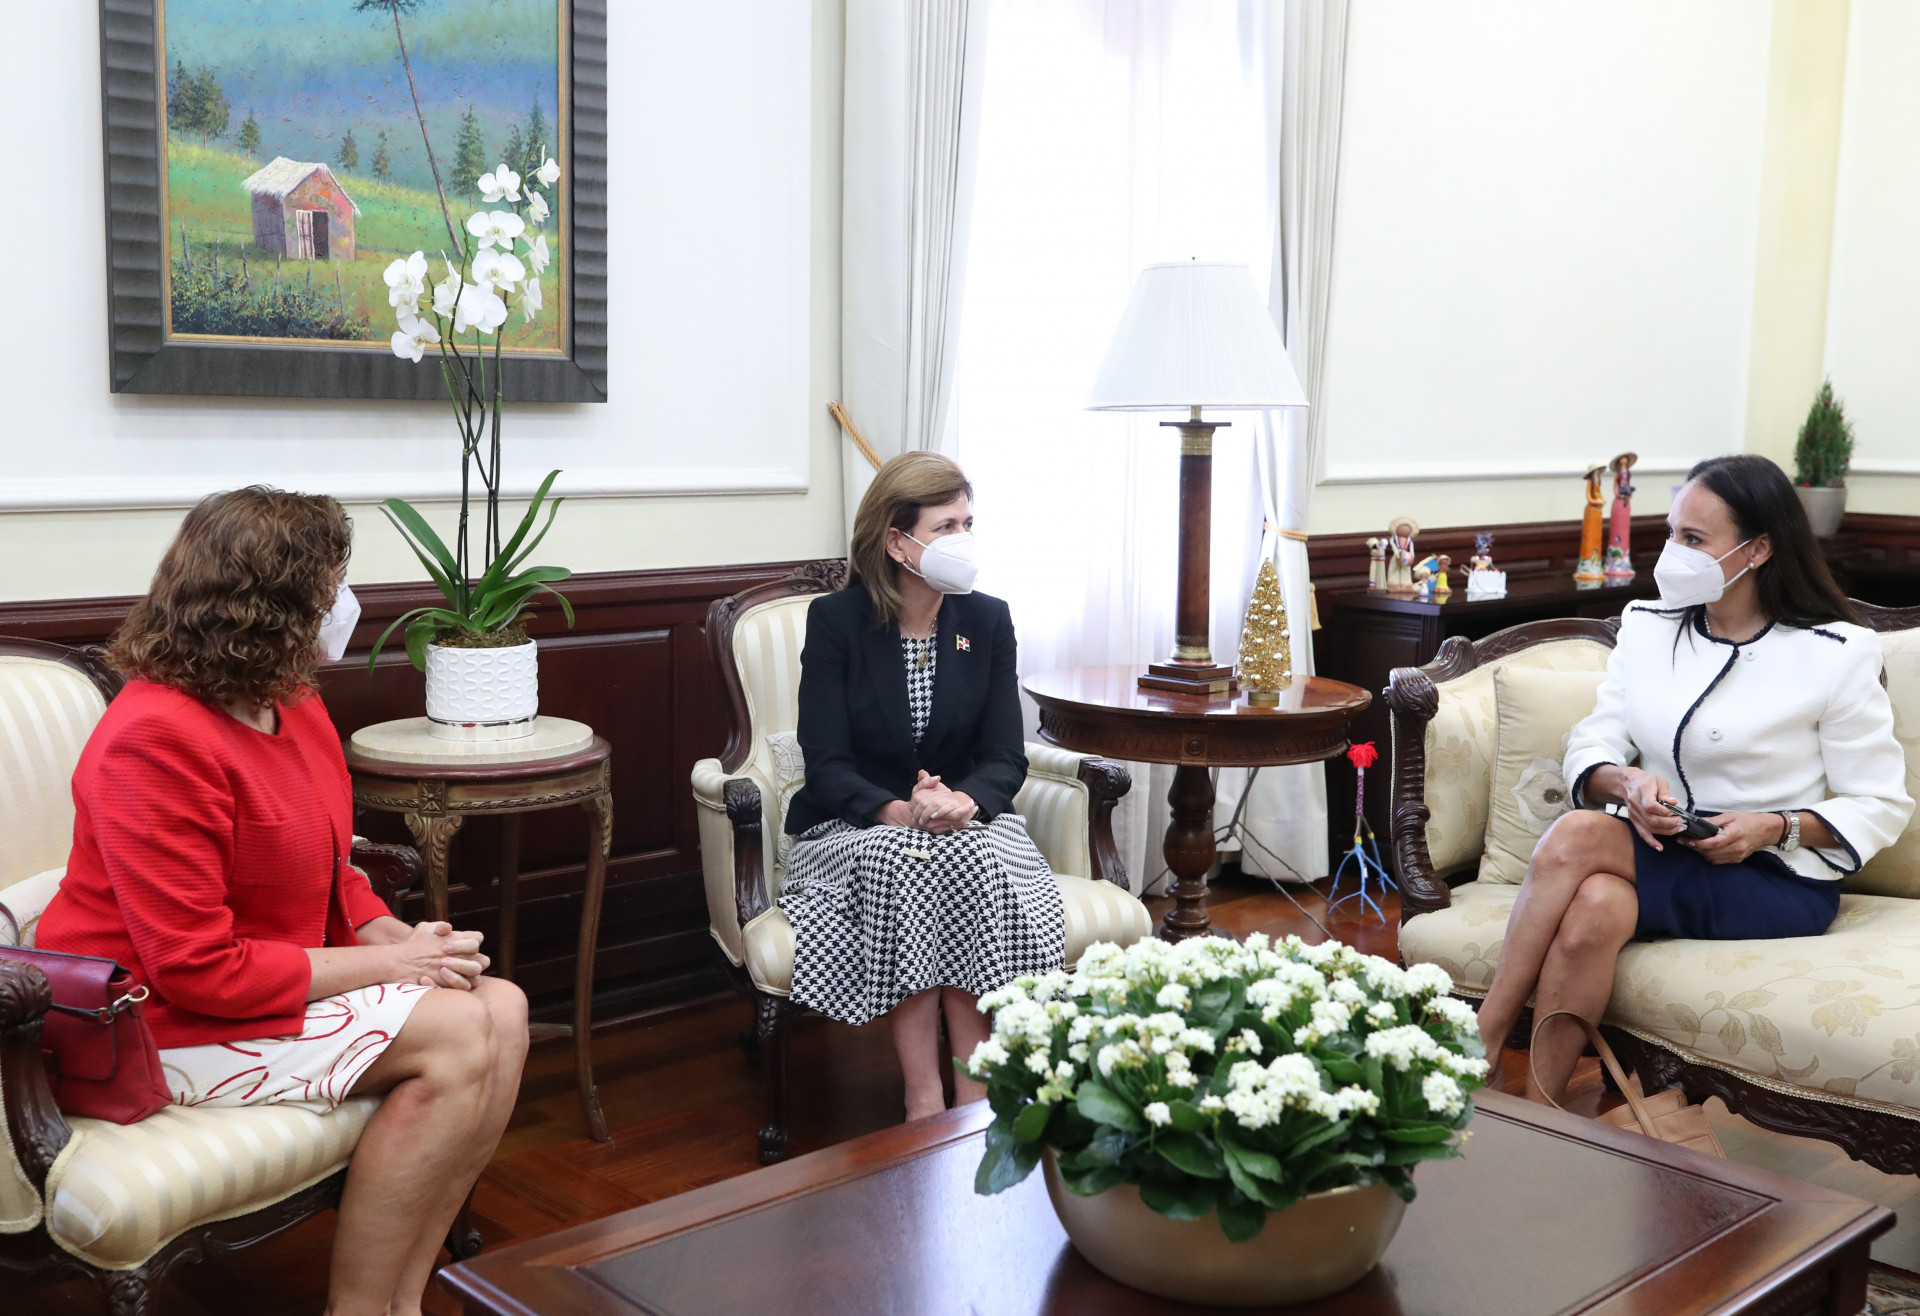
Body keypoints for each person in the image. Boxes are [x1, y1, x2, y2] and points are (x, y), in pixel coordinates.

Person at [36, 487, 528, 1316]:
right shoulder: (151, 740)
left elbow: (333, 867)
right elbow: (197, 970)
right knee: (456, 1035)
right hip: (147, 1021)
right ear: (275, 607)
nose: (347, 603)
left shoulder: (290, 699)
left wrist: (393, 934)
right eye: (333, 587)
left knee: (502, 1006)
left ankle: (400, 1301)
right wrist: (393, 966)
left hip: (256, 984)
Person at [1475, 455, 1913, 1104]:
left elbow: (1880, 802)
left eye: (1694, 539)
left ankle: (1476, 1046)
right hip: (1661, 847)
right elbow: (1593, 741)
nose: (1672, 553)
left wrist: (1773, 827)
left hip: (1774, 876)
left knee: (1574, 837)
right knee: (1596, 906)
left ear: (1758, 548)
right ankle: (1542, 1119)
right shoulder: (1647, 627)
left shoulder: (1836, 652)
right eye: (1672, 533)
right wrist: (1625, 784)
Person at [781, 452, 1063, 1121]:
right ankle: (925, 1096)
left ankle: (972, 1090)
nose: (963, 539)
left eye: (968, 523)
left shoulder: (987, 620)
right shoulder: (836, 621)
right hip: (854, 827)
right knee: (906, 860)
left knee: (962, 856)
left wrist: (963, 801)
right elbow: (826, 761)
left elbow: (1005, 754)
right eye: (945, 527)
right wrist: (899, 810)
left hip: (966, 824)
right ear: (896, 542)